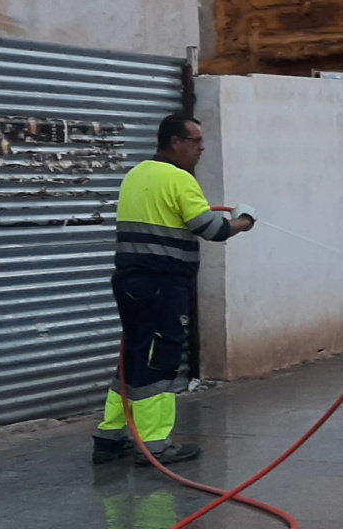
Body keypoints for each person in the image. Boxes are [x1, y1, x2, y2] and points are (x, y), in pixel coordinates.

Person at [92, 115, 256, 466]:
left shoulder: (136, 174)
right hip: (162, 286)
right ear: (174, 142)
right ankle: (154, 446)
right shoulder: (180, 179)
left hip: (129, 282)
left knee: (134, 356)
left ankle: (109, 438)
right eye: (195, 141)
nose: (201, 149)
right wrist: (243, 221)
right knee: (159, 363)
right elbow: (210, 229)